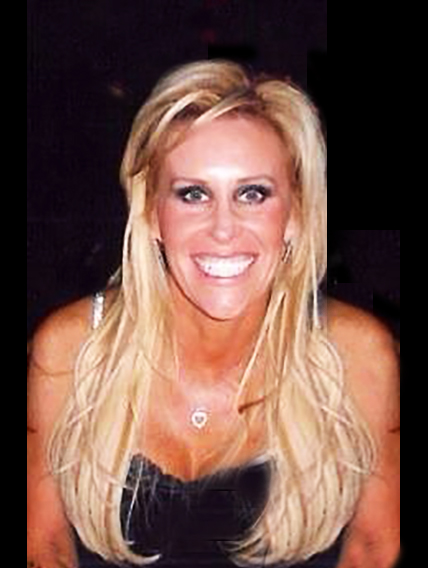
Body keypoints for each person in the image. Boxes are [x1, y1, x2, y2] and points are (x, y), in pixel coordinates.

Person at [27, 60, 400, 568]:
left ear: (295, 214)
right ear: (151, 213)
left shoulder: (357, 356)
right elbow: (43, 543)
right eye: (193, 194)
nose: (223, 229)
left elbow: (374, 546)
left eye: (253, 193)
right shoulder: (70, 350)